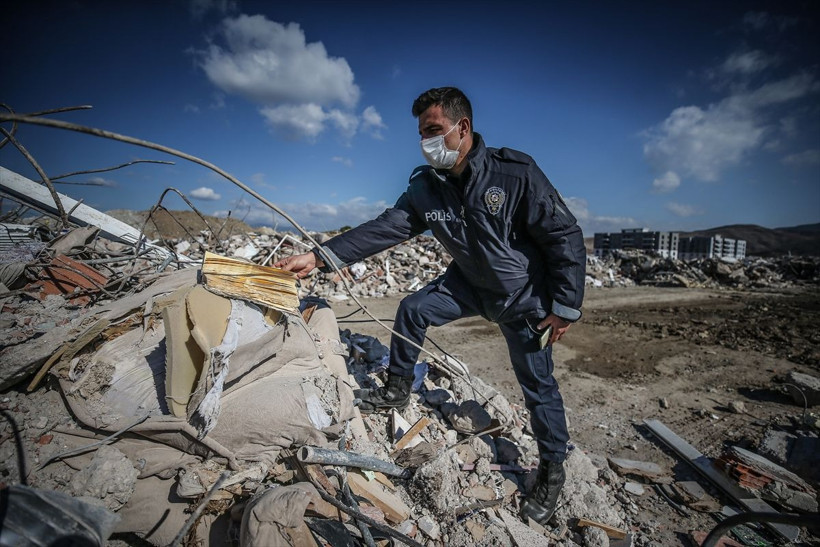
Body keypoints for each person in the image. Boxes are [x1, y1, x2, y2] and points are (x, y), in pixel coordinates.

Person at [276, 87, 586, 525]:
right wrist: (320, 256)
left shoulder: (514, 174)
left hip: (524, 298)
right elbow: (386, 227)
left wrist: (565, 306)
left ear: (463, 128)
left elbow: (564, 236)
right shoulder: (427, 187)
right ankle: (397, 388)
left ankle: (553, 470)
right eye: (422, 133)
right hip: (468, 286)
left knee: (537, 385)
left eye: (435, 131)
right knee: (413, 309)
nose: (427, 142)